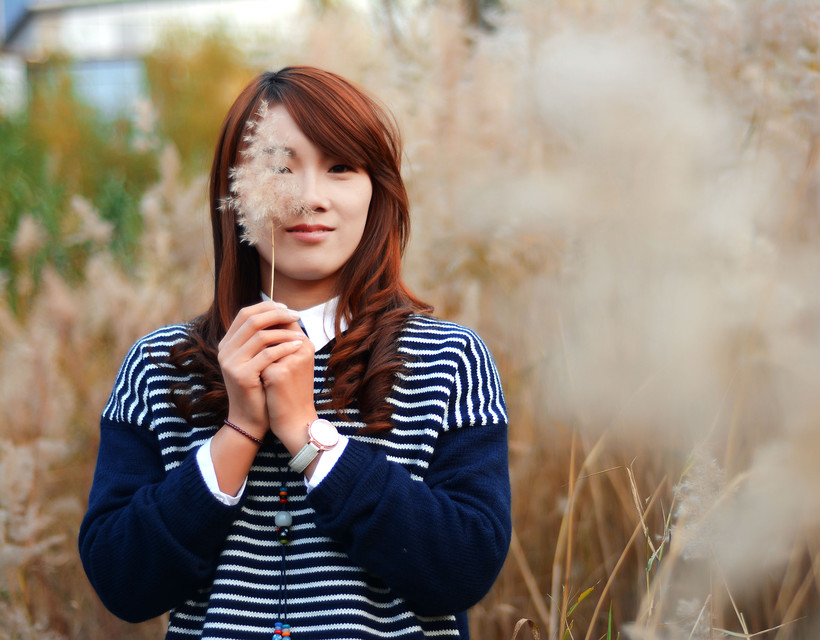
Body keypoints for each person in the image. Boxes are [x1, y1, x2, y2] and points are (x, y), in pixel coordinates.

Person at [78, 66, 511, 640]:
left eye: (341, 168)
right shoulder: (159, 365)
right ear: (235, 193)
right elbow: (123, 585)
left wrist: (310, 436)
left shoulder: (451, 360)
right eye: (280, 169)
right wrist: (237, 432)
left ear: (376, 191)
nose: (310, 197)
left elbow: (465, 568)